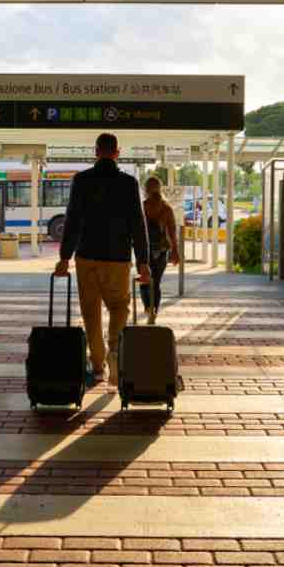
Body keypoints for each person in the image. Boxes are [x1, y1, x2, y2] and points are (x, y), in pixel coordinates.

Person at [54, 133, 150, 384]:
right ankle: (115, 352)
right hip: (118, 258)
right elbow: (137, 225)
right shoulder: (129, 183)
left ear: (96, 152)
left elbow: (72, 220)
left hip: (86, 257)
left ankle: (97, 363)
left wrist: (64, 258)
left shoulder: (81, 180)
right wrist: (143, 262)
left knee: (90, 312)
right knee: (119, 307)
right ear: (117, 153)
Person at [140, 176, 180, 325]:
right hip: (162, 251)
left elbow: (135, 231)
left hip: (144, 251)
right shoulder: (166, 208)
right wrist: (175, 251)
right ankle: (154, 311)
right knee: (155, 283)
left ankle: (148, 307)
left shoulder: (142, 207)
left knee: (144, 281)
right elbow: (172, 232)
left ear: (146, 190)